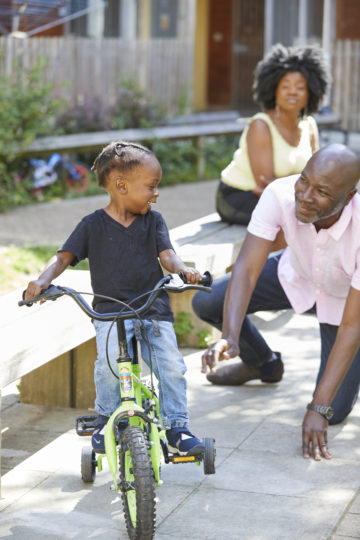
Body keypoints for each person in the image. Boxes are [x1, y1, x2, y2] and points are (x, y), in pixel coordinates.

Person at [25, 140, 206, 457]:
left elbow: (168, 256)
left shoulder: (154, 221)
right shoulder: (92, 225)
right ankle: (107, 421)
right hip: (110, 314)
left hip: (152, 310)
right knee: (108, 366)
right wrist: (42, 280)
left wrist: (184, 271)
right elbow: (62, 258)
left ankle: (177, 427)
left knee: (172, 368)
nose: (156, 193)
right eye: (151, 186)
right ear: (122, 185)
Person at [193, 143, 360, 461]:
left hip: (345, 302)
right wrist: (229, 335)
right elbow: (247, 267)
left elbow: (352, 325)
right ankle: (263, 363)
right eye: (304, 180)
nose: (306, 195)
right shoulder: (280, 193)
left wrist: (318, 407)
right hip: (295, 275)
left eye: (321, 191)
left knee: (332, 409)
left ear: (348, 197)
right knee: (210, 301)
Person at [217, 43, 330, 226]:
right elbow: (266, 186)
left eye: (300, 87)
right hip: (240, 196)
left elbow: (317, 175)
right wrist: (308, 188)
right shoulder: (261, 125)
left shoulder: (309, 125)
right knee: (303, 221)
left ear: (311, 92)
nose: (292, 91)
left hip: (287, 196)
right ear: (274, 90)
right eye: (285, 86)